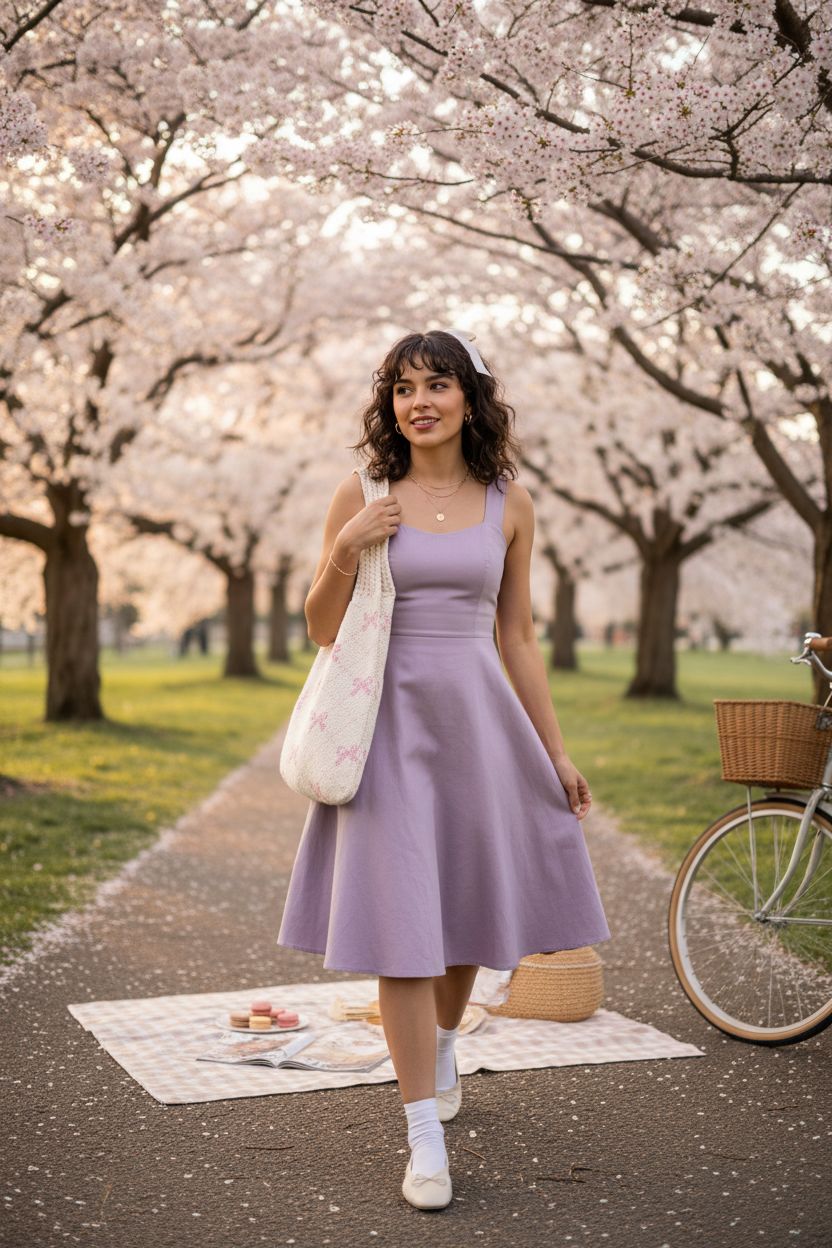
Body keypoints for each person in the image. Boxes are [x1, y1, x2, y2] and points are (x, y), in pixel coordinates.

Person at [276, 329, 611, 1210]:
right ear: (389, 406)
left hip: (477, 725)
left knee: (461, 914)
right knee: (401, 932)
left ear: (470, 397)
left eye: (438, 384)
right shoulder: (362, 490)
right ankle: (423, 1135)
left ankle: (448, 1039)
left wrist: (557, 750)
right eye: (402, 388)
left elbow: (519, 637)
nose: (418, 401)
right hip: (385, 729)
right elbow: (319, 625)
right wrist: (349, 543)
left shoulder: (511, 502)